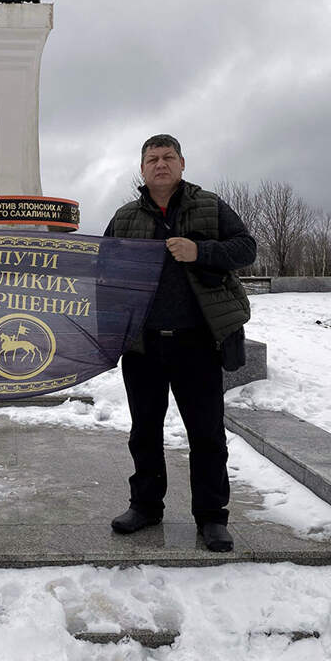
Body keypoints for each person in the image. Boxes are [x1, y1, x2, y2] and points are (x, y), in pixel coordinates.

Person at [104, 134, 256, 552]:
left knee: (206, 434)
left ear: (182, 164)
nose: (160, 164)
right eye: (152, 158)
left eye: (168, 157)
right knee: (145, 432)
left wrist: (200, 250)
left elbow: (246, 249)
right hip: (144, 346)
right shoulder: (124, 217)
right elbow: (105, 272)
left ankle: (211, 517)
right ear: (142, 168)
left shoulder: (209, 205)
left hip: (198, 343)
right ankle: (146, 506)